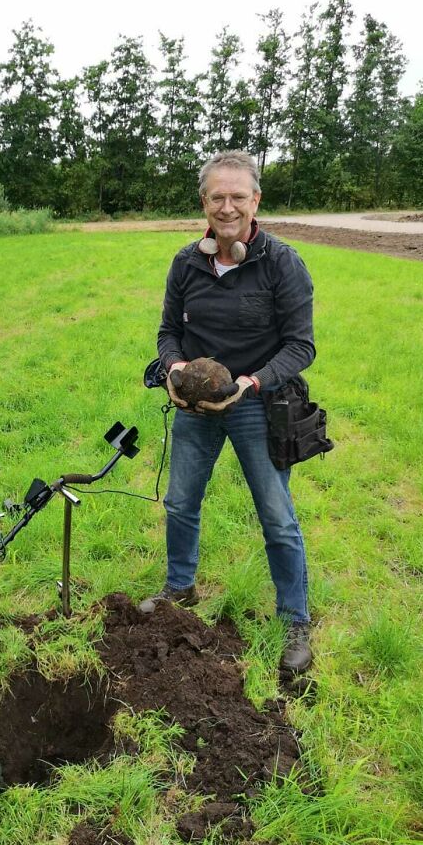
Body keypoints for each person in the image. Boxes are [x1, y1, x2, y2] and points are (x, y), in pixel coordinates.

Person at [140, 150, 315, 673]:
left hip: (255, 404)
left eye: (238, 196)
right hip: (196, 405)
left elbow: (300, 345)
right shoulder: (186, 262)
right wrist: (173, 369)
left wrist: (250, 381)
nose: (228, 205)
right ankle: (180, 588)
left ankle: (294, 620)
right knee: (179, 503)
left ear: (256, 200)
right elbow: (169, 332)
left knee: (277, 517)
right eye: (218, 196)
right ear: (204, 202)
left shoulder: (281, 263)